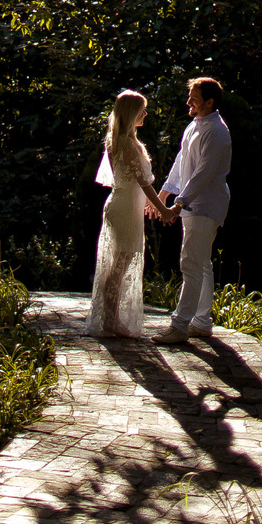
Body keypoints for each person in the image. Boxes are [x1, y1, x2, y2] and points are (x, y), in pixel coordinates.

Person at [86, 89, 179, 338]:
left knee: (118, 264)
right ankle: (110, 320)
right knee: (119, 265)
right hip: (124, 208)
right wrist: (164, 210)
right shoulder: (125, 143)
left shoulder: (122, 140)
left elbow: (137, 183)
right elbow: (143, 182)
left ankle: (110, 319)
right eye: (142, 110)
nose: (145, 114)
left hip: (124, 205)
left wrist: (151, 205)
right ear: (131, 113)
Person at [156, 74, 232, 344]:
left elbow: (204, 173)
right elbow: (182, 160)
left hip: (205, 206)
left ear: (210, 102)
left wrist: (179, 203)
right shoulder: (195, 125)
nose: (189, 102)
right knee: (202, 264)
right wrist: (165, 192)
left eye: (195, 99)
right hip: (193, 204)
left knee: (190, 263)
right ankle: (201, 322)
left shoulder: (217, 132)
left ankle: (180, 325)